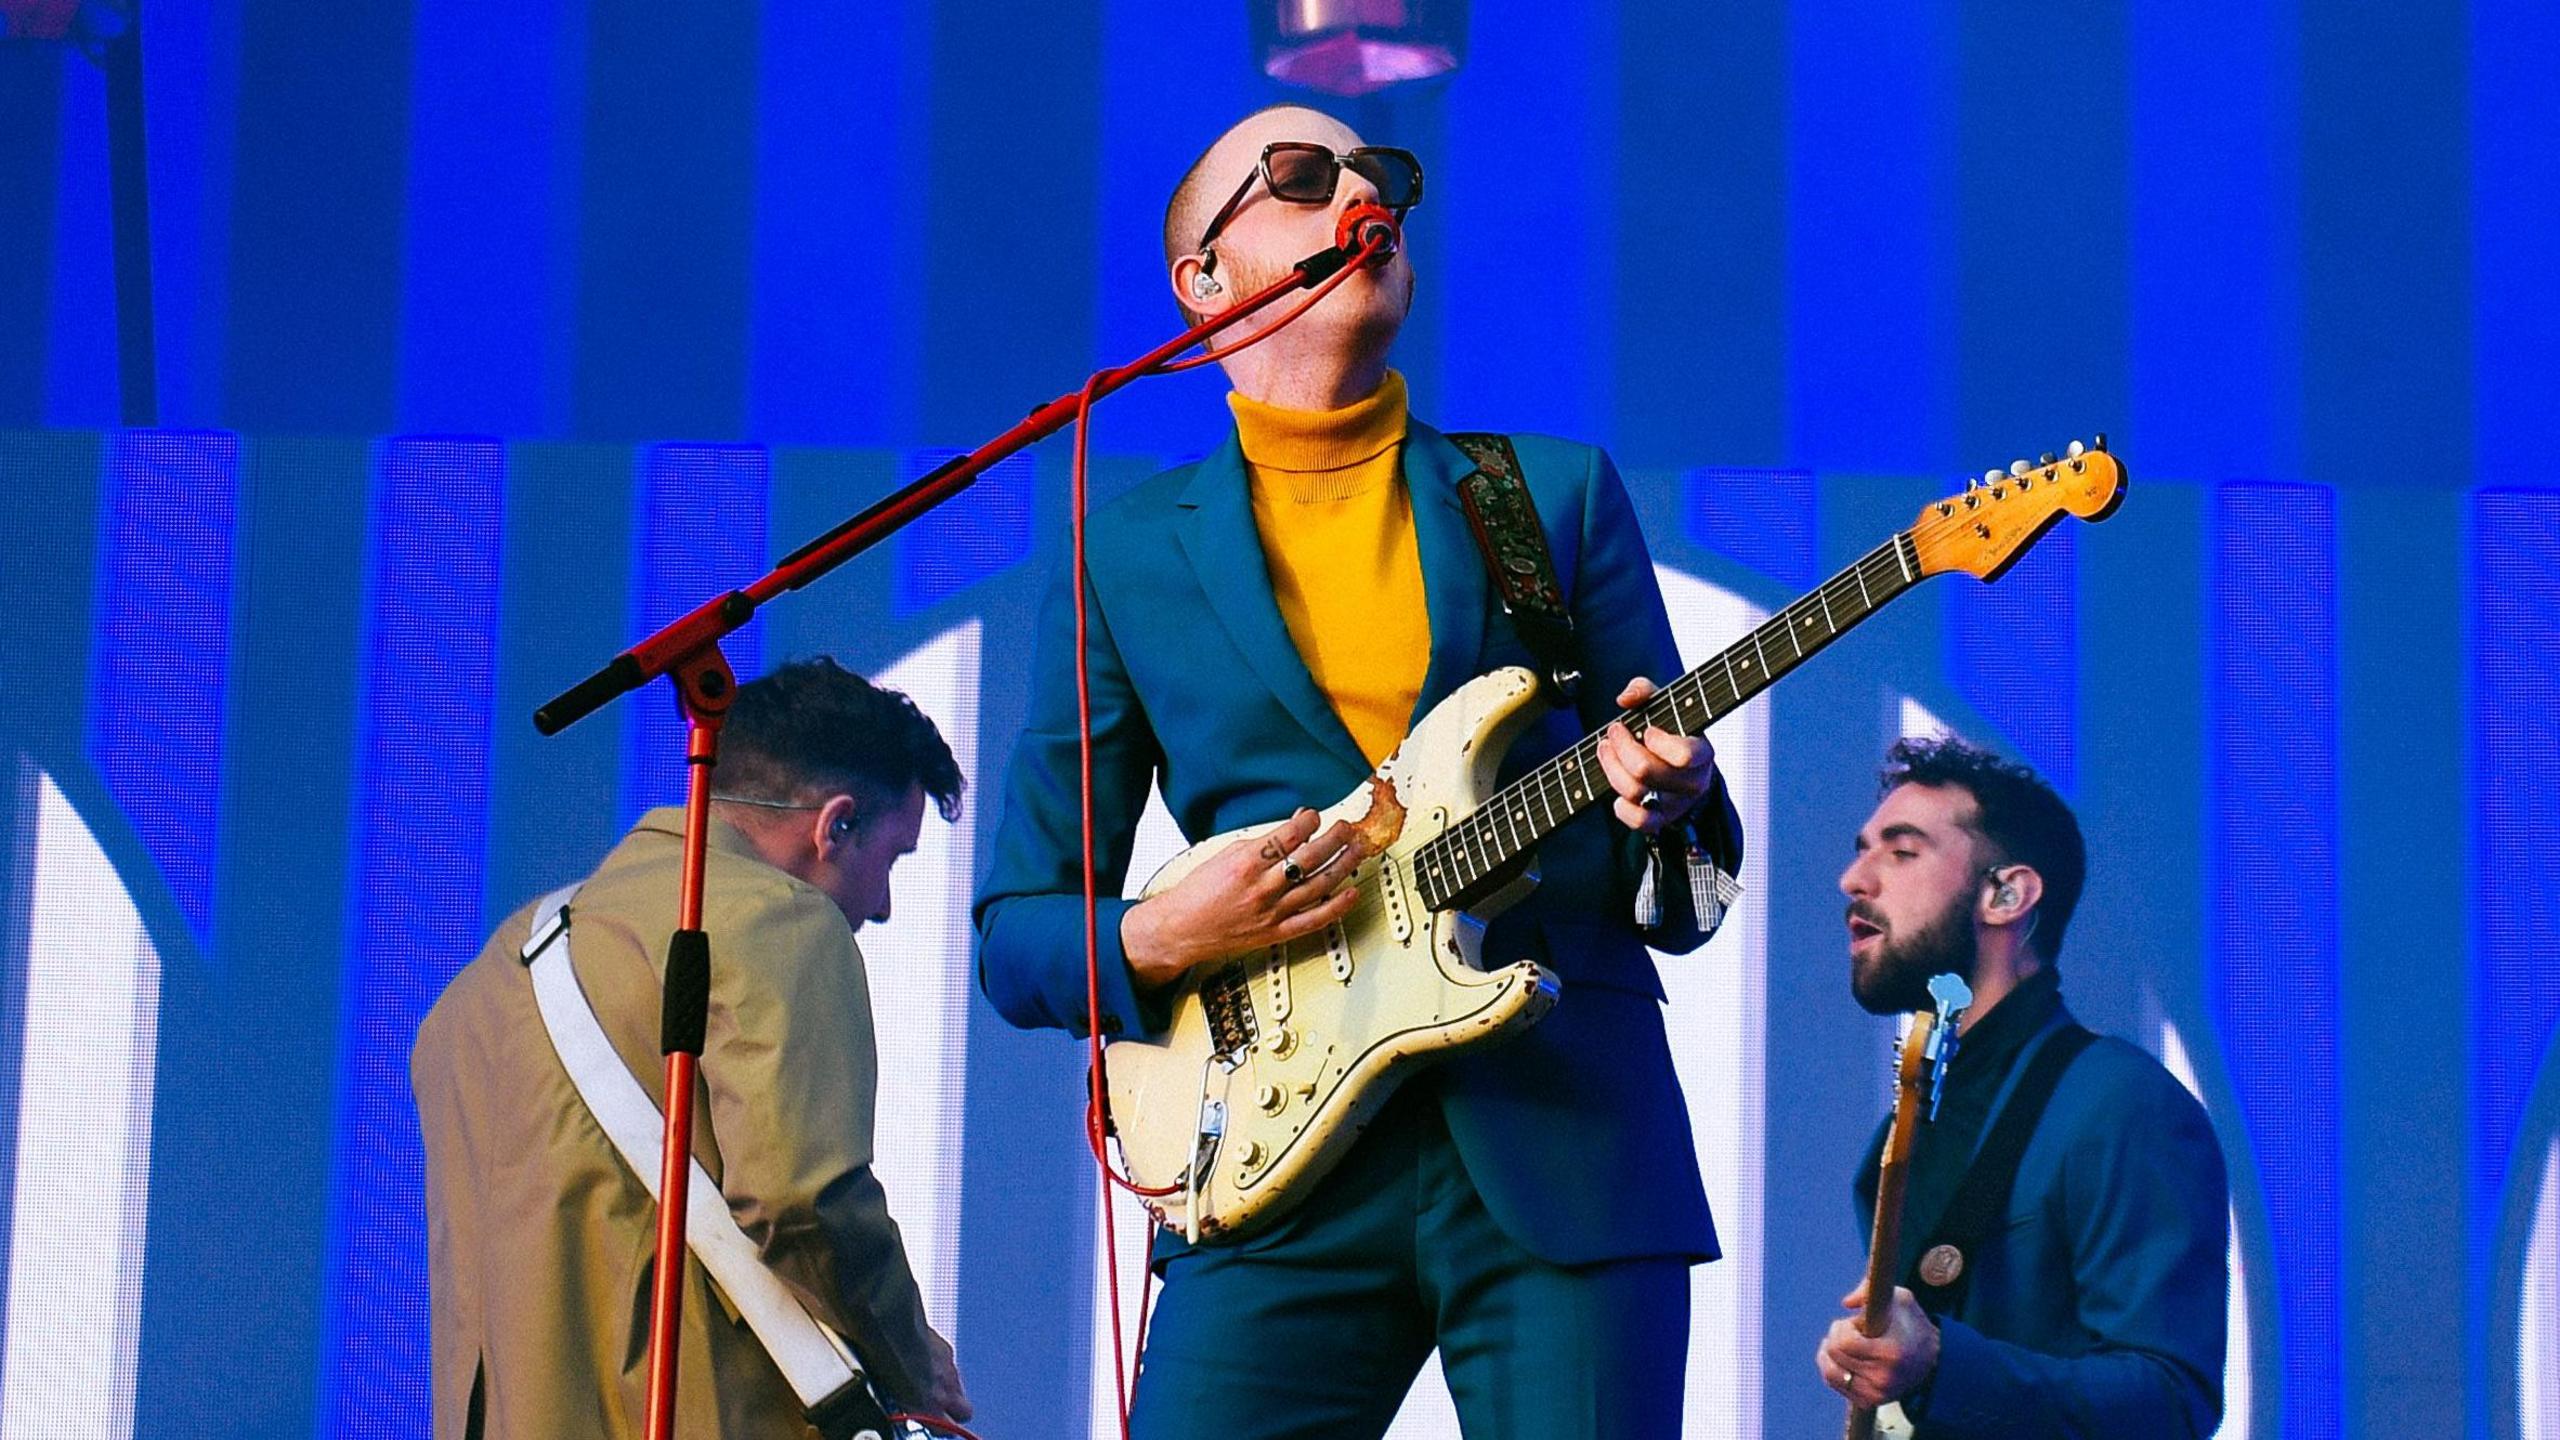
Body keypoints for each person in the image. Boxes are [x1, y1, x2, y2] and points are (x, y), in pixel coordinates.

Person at [973, 104, 1746, 1438]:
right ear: (1201, 283)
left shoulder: (1541, 495)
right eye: (1299, 177)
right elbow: (1018, 933)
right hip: (1271, 1159)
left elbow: (1680, 887)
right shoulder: (1128, 551)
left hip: (1564, 1129)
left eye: (1379, 174)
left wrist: (1675, 805)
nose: (1359, 194)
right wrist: (1159, 934)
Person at [414, 657, 973, 1439]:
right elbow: (800, 1199)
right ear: (835, 824)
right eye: (892, 860)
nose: (880, 905)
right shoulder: (778, 919)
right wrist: (911, 1358)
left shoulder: (478, 989)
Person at [1816, 734, 2228, 1437]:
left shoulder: (2124, 1103)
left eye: (1902, 850)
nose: (1853, 879)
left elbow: (2172, 1403)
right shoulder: (1907, 1127)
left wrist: (1942, 1365)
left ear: (2007, 893)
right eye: (1863, 847)